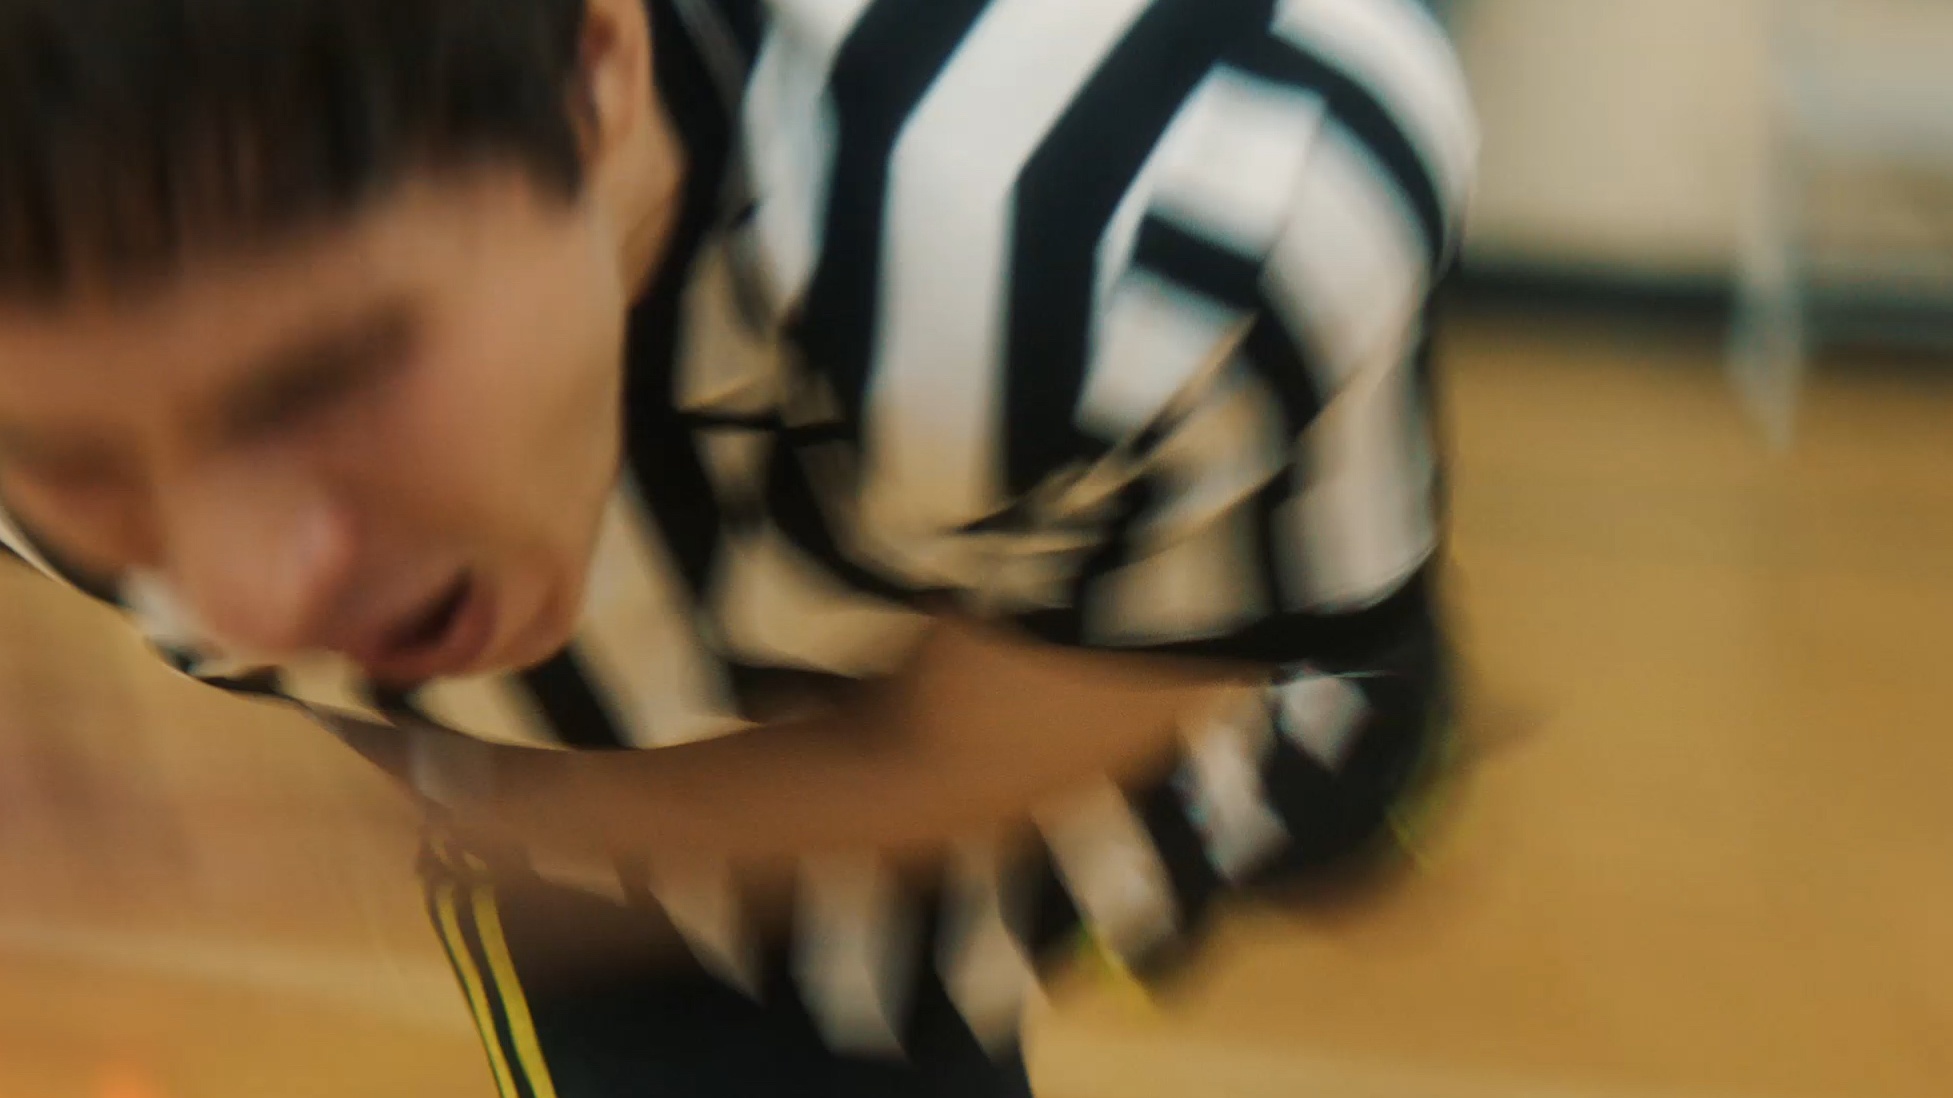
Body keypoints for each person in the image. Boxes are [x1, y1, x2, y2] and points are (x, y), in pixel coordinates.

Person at [0, 0, 1476, 1094]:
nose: (247, 588)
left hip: (1066, 590)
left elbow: (978, 753)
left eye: (326, 378)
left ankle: (1352, 715)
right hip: (636, 820)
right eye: (68, 458)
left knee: (1299, 756)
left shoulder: (1141, 231)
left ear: (591, 68)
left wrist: (369, 841)